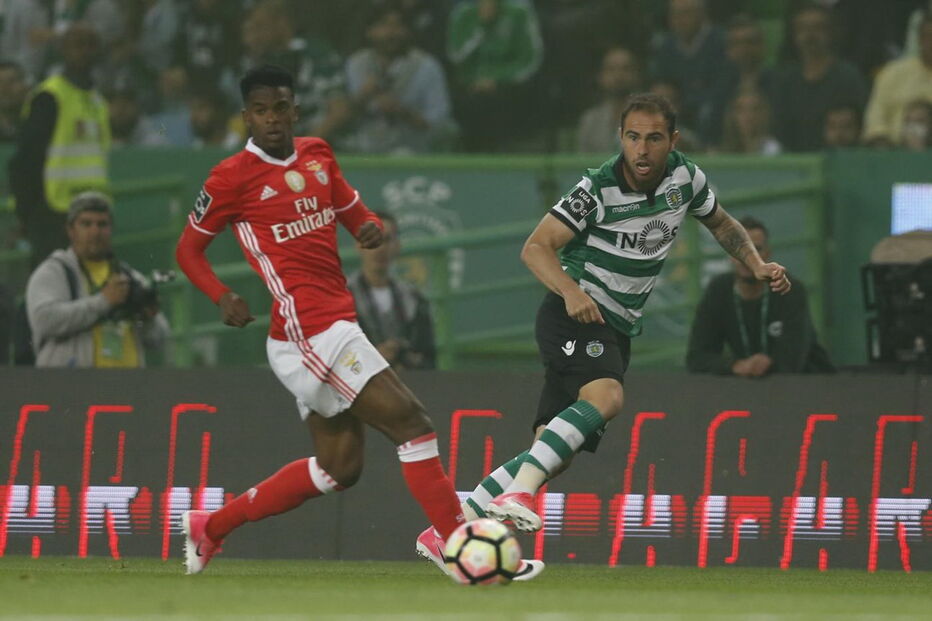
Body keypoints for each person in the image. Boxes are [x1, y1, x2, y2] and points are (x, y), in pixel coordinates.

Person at [173, 65, 542, 580]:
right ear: (246, 117)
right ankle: (456, 544)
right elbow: (189, 250)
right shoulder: (230, 178)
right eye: (261, 110)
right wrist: (221, 295)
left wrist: (366, 225)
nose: (272, 119)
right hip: (309, 329)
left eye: (281, 107)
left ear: (295, 110)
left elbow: (348, 205)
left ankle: (211, 526)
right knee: (413, 425)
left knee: (338, 469)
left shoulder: (318, 154)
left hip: (325, 326)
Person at [435, 93, 791, 534]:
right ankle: (518, 493)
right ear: (620, 137)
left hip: (615, 325)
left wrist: (755, 264)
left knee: (555, 453)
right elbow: (535, 248)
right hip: (577, 314)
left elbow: (721, 222)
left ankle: (449, 529)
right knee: (607, 398)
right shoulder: (597, 189)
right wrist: (570, 292)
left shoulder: (686, 177)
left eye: (654, 138)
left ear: (673, 140)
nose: (642, 150)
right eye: (633, 137)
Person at [24, 191, 169, 368]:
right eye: (86, 224)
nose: (95, 231)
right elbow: (44, 321)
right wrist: (104, 301)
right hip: (72, 389)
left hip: (128, 389)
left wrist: (148, 316)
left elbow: (160, 339)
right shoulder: (54, 272)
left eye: (102, 224)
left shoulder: (128, 276)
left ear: (111, 229)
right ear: (71, 230)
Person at [8, 24, 111, 267]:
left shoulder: (98, 102)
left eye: (90, 45)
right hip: (54, 213)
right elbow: (26, 161)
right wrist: (28, 215)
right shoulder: (49, 97)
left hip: (93, 214)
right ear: (63, 51)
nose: (84, 52)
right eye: (77, 45)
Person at [686, 217, 834, 377]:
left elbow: (792, 360)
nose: (747, 258)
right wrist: (736, 366)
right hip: (749, 389)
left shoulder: (789, 288)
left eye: (756, 249)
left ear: (768, 254)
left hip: (808, 385)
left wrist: (763, 364)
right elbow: (697, 358)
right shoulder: (718, 289)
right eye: (738, 249)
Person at [340, 6, 454, 154]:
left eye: (398, 26)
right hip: (363, 146)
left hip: (413, 148)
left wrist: (402, 112)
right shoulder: (356, 64)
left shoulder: (426, 66)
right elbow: (339, 115)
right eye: (384, 25)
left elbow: (440, 122)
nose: (391, 33)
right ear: (369, 31)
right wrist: (363, 95)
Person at [447, 0, 543, 152]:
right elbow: (456, 56)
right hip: (471, 85)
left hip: (507, 85)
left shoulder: (519, 11)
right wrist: (481, 25)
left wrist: (497, 79)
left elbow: (529, 59)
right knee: (466, 102)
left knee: (495, 102)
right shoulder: (463, 12)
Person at [770, 4, 867, 152]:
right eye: (803, 29)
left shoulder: (848, 77)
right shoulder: (785, 80)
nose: (810, 35)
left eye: (818, 28)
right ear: (794, 35)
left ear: (830, 33)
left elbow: (859, 127)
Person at [347, 211, 436, 370]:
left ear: (398, 246)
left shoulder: (415, 300)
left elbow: (430, 361)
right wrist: (374, 357)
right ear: (358, 244)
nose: (379, 248)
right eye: (371, 240)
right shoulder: (342, 299)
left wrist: (404, 356)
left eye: (386, 240)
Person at [649, 0, 730, 145]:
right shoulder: (665, 47)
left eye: (686, 13)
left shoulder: (720, 43)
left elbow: (724, 84)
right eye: (675, 14)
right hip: (677, 112)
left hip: (713, 111)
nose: (680, 19)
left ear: (701, 14)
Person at [862, 12, 932, 148]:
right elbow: (875, 122)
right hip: (893, 153)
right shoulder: (892, 73)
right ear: (919, 39)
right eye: (927, 36)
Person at [576, 47, 642, 154]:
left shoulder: (653, 117)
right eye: (611, 69)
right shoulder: (590, 121)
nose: (618, 75)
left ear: (636, 75)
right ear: (601, 77)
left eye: (626, 69)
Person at [720, 89, 782, 155]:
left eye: (755, 109)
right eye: (741, 110)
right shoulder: (722, 151)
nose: (748, 116)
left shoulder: (772, 150)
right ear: (732, 114)